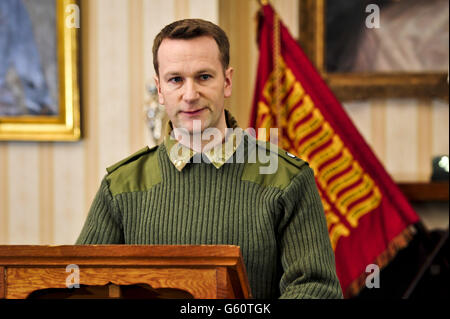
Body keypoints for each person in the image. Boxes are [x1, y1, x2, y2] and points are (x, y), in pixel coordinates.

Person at [76, 18, 343, 299]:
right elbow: (78, 288)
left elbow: (316, 289)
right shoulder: (120, 185)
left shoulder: (286, 178)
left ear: (226, 82)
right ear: (160, 90)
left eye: (204, 77)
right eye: (176, 79)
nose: (190, 95)